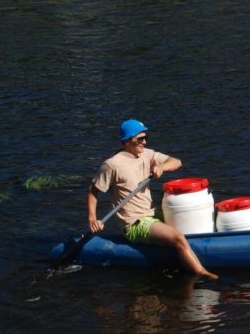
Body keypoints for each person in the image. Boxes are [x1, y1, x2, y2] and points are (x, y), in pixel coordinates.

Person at [87, 119, 219, 280]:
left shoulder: (146, 154)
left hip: (153, 214)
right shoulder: (112, 165)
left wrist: (161, 167)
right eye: (140, 139)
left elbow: (177, 162)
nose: (144, 142)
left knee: (187, 226)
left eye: (146, 137)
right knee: (178, 237)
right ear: (128, 140)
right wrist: (93, 218)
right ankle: (201, 273)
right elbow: (93, 189)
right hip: (135, 223)